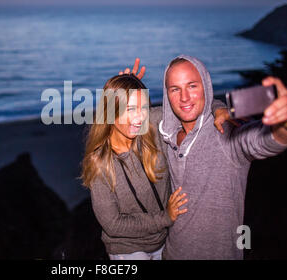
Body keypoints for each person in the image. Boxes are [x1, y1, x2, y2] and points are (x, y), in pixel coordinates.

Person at [123, 55, 287, 259]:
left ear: (206, 87)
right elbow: (113, 128)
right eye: (175, 89)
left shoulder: (225, 133)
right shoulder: (164, 131)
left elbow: (265, 141)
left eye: (192, 86)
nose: (184, 97)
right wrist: (121, 95)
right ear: (167, 95)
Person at [80, 74, 229, 260]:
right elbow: (113, 224)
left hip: (166, 239)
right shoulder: (100, 162)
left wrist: (220, 109)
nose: (138, 117)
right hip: (128, 249)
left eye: (143, 107)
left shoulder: (152, 123)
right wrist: (165, 218)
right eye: (130, 109)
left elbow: (190, 106)